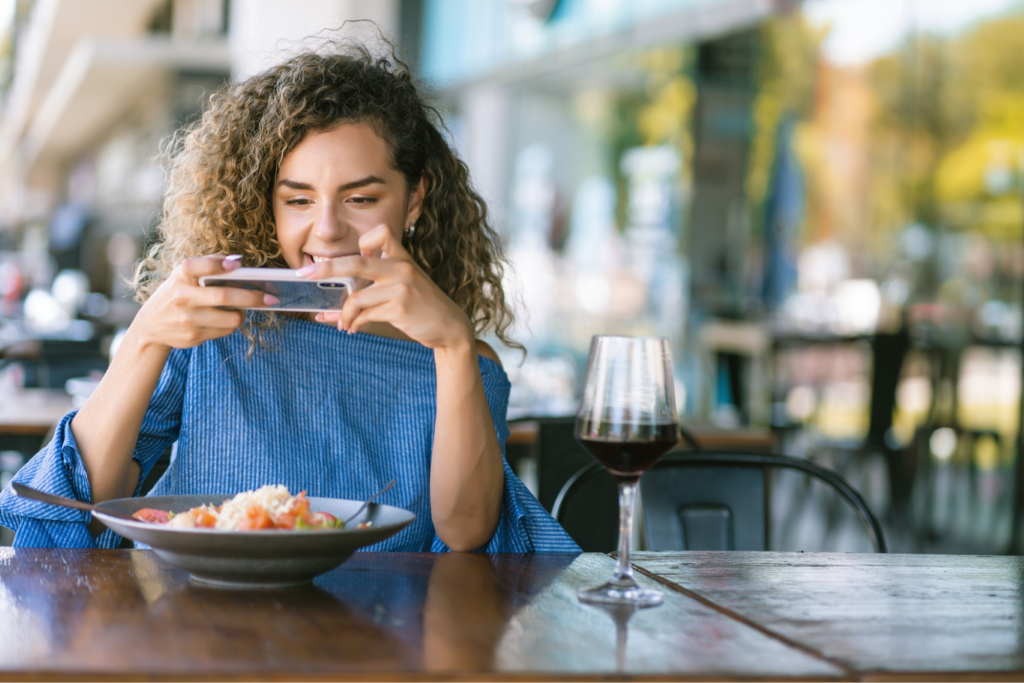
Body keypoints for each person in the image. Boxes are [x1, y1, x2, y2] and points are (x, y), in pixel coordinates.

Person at [0, 40, 580, 553]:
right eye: (298, 200)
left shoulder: (463, 361)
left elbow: (467, 530)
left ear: (415, 199)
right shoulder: (215, 329)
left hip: (378, 643)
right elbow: (85, 503)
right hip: (201, 628)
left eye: (360, 198)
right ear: (267, 206)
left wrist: (453, 341)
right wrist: (145, 338)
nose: (326, 230)